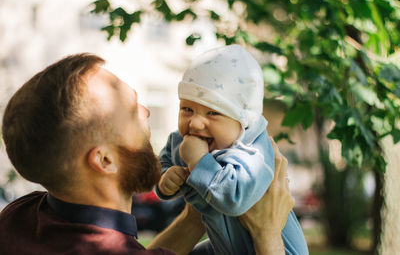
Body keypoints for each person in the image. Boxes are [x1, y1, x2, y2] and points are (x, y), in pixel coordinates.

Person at [0, 52, 294, 255]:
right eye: (131, 112)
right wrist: (267, 237)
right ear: (104, 160)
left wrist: (196, 217)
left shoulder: (18, 217)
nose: (146, 112)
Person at [156, 45, 308, 255]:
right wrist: (166, 181)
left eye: (213, 113)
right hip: (224, 246)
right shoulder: (180, 140)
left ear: (242, 120)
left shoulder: (253, 149)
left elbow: (235, 200)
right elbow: (163, 163)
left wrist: (200, 162)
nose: (195, 123)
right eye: (187, 109)